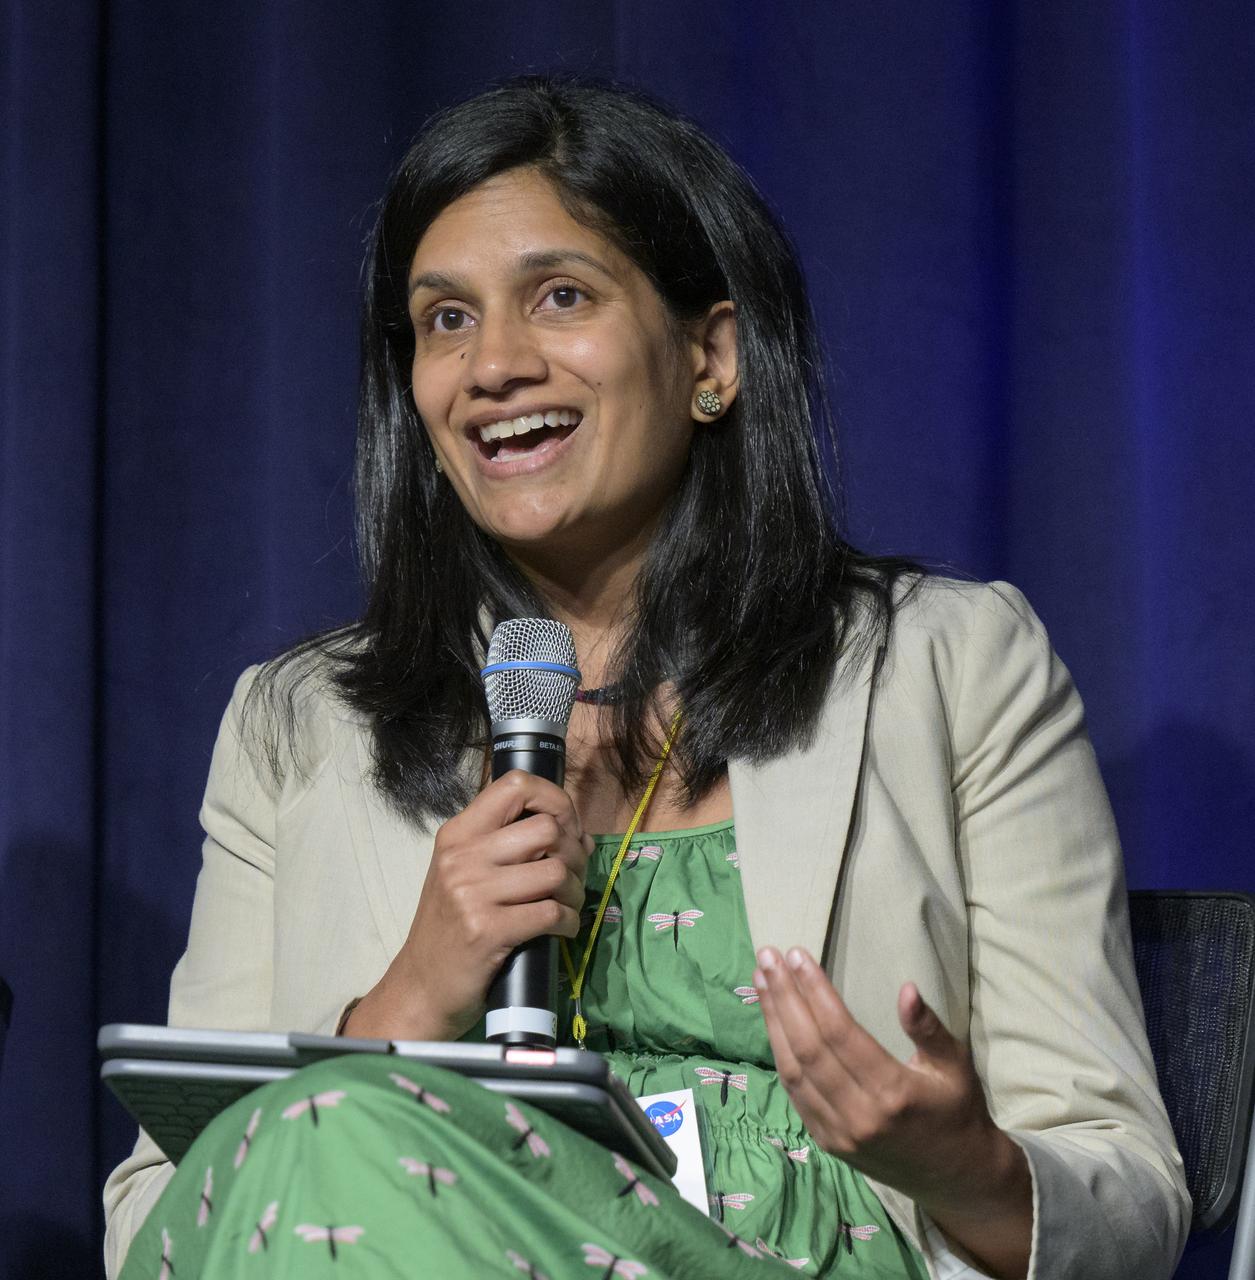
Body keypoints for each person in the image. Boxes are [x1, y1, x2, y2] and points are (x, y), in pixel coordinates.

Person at [103, 77, 1189, 1279]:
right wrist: (407, 1003)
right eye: (444, 320)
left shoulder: (949, 667)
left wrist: (963, 1164)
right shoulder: (296, 726)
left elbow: (1127, 1190)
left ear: (710, 356)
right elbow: (160, 1224)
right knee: (333, 1126)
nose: (493, 363)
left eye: (559, 297)